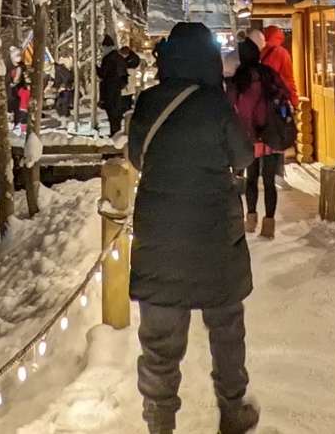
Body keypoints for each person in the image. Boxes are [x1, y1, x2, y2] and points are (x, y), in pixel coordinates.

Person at [127, 21, 260, 434]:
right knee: (226, 332)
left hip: (159, 238)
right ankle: (233, 410)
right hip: (215, 238)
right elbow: (243, 157)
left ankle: (160, 421)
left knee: (160, 346)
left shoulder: (148, 103)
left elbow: (136, 157)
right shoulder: (218, 106)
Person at [227, 38, 290, 238]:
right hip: (271, 134)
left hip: (249, 136)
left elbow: (229, 106)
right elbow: (286, 92)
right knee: (269, 181)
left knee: (251, 178)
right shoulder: (268, 74)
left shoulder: (238, 79)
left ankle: (251, 219)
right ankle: (269, 225)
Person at [97, 34, 140, 136]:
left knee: (113, 114)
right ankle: (115, 133)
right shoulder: (118, 57)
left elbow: (104, 74)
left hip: (111, 90)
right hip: (117, 90)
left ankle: (115, 134)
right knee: (116, 113)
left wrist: (96, 69)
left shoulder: (109, 58)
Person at [260, 25, 297, 99]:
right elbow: (288, 78)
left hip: (257, 96)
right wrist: (294, 98)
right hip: (274, 95)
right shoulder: (282, 53)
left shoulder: (257, 49)